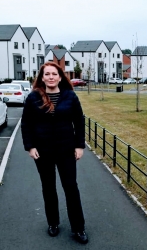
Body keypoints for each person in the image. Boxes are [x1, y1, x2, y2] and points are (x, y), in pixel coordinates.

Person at [21, 62, 88, 244]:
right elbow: (26, 123)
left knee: (71, 187)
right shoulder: (33, 97)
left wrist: (79, 146)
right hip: (43, 151)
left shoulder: (70, 96)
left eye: (54, 74)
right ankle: (53, 223)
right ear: (42, 77)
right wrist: (30, 146)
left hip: (66, 150)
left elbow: (79, 122)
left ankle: (78, 227)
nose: (51, 77)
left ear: (60, 77)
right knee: (48, 188)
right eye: (47, 74)